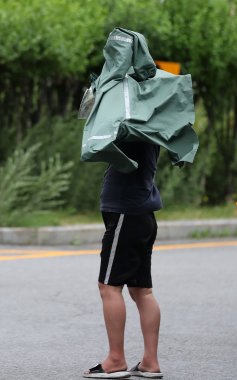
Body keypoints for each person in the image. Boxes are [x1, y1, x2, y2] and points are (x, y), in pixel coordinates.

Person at [84, 141, 164, 379]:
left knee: (109, 287)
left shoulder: (134, 118)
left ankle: (115, 360)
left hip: (126, 213)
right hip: (140, 213)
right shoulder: (149, 121)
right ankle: (150, 362)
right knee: (142, 291)